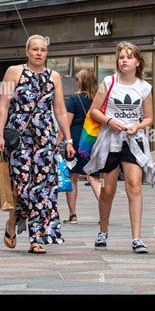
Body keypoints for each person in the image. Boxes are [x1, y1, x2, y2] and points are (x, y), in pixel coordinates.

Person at [0, 35, 75, 254]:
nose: (39, 53)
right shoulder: (14, 72)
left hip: (45, 138)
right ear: (27, 51)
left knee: (43, 188)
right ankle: (12, 220)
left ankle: (36, 238)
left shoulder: (54, 76)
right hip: (19, 137)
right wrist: (0, 135)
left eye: (43, 50)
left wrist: (67, 140)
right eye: (35, 49)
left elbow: (59, 110)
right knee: (20, 186)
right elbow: (3, 105)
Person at [84, 41, 155, 254]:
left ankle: (137, 238)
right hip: (110, 140)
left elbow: (150, 117)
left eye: (129, 56)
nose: (124, 60)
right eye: (121, 57)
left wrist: (139, 125)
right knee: (108, 189)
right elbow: (94, 110)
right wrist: (109, 121)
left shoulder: (144, 87)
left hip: (133, 141)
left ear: (137, 62)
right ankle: (103, 231)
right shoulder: (109, 82)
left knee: (134, 185)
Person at [58, 69, 101, 223]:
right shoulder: (98, 99)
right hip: (92, 139)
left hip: (76, 140)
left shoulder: (74, 99)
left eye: (77, 80)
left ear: (81, 82)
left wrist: (58, 142)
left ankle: (73, 215)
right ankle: (104, 214)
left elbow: (66, 124)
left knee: (72, 177)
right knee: (94, 177)